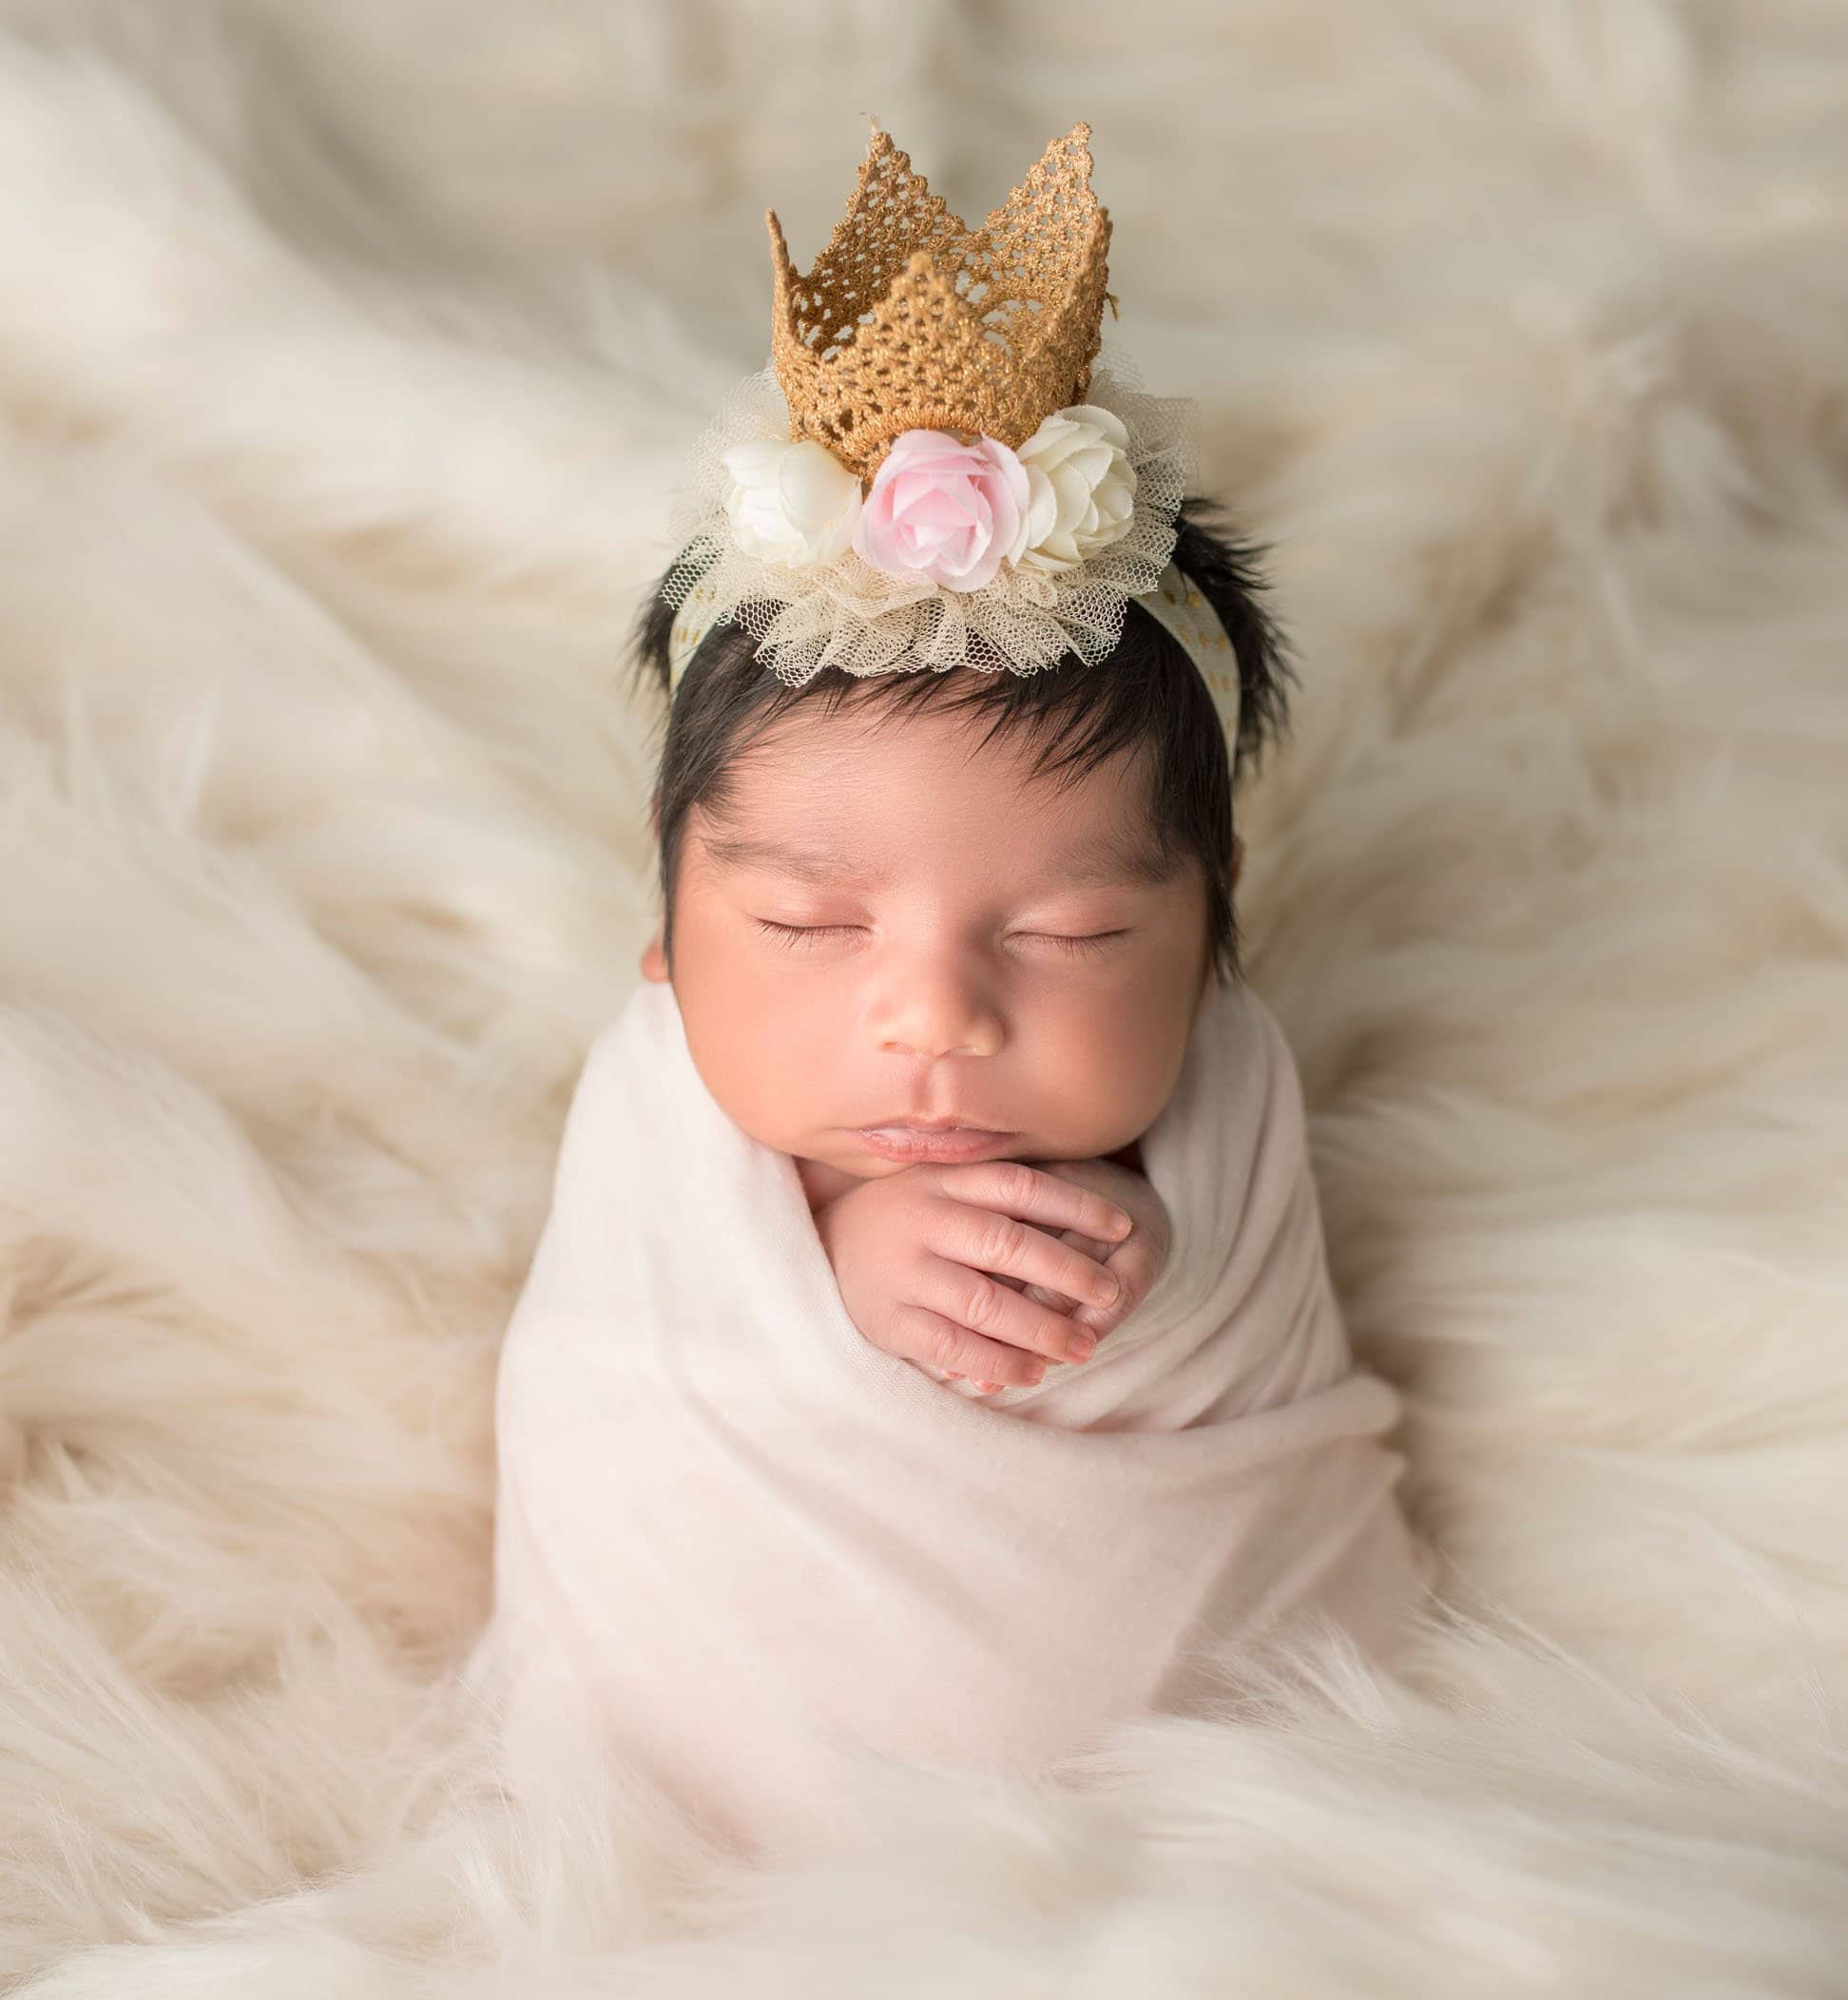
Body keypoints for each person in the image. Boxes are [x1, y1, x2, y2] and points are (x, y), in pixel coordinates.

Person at [472, 121, 1434, 1861]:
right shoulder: (654, 1127)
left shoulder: (1232, 1087)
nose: (936, 1019)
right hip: (709, 1819)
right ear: (667, 935)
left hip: (1229, 1838)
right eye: (808, 926)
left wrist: (1137, 1260)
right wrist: (834, 1264)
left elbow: (1236, 1313)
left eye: (1069, 937)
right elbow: (634, 1357)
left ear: (1211, 931)